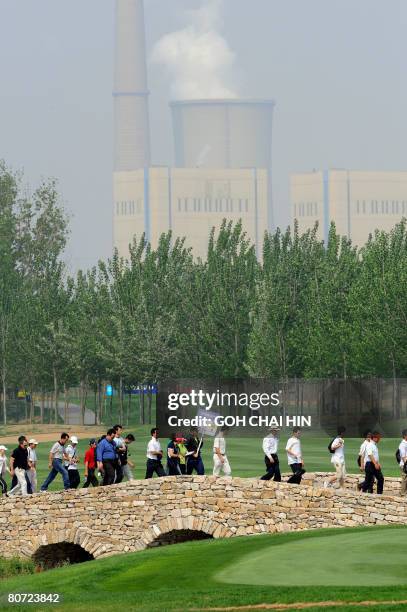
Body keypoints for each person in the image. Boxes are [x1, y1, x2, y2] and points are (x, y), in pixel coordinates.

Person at [399, 429, 407, 496]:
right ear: (405, 436)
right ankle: (403, 494)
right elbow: (403, 456)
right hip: (404, 464)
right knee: (404, 479)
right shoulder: (402, 444)